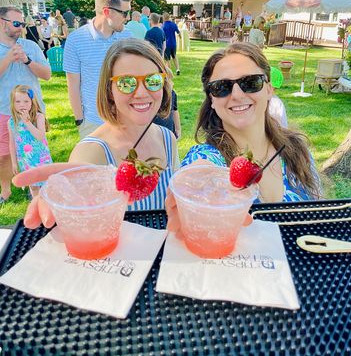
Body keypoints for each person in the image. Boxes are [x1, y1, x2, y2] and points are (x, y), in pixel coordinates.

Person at [14, 38, 180, 228]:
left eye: (153, 80)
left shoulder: (167, 138)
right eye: (126, 83)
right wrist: (60, 199)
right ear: (109, 90)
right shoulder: (91, 152)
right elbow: (78, 217)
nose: (141, 93)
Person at [166, 42, 321, 228]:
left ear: (269, 89)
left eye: (250, 83)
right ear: (212, 100)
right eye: (222, 87)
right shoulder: (206, 156)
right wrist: (194, 181)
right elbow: (199, 171)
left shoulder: (297, 150)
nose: (237, 95)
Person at [63, 0, 133, 139]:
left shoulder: (128, 37)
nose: (128, 18)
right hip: (92, 123)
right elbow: (73, 84)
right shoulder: (76, 40)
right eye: (125, 13)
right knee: (94, 164)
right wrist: (79, 119)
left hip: (125, 120)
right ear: (107, 12)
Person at [0, 6, 51, 203]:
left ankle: (37, 191)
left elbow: (47, 75)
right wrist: (8, 59)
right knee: (5, 154)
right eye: (16, 23)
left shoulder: (30, 46)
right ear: (2, 23)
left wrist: (27, 61)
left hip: (33, 111)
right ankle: (6, 191)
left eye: (22, 24)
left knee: (36, 151)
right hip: (4, 111)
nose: (20, 28)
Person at [8, 85, 52, 197]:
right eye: (18, 101)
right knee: (33, 185)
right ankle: (36, 205)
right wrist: (14, 162)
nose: (22, 105)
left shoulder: (38, 117)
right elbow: (12, 144)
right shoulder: (12, 122)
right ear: (13, 103)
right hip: (25, 159)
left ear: (32, 102)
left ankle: (48, 206)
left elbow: (40, 136)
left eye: (26, 101)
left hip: (40, 157)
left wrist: (27, 122)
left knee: (46, 184)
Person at [154, 71, 181, 139]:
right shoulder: (154, 98)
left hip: (169, 132)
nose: (173, 83)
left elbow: (175, 111)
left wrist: (178, 129)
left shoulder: (172, 94)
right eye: (170, 81)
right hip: (156, 134)